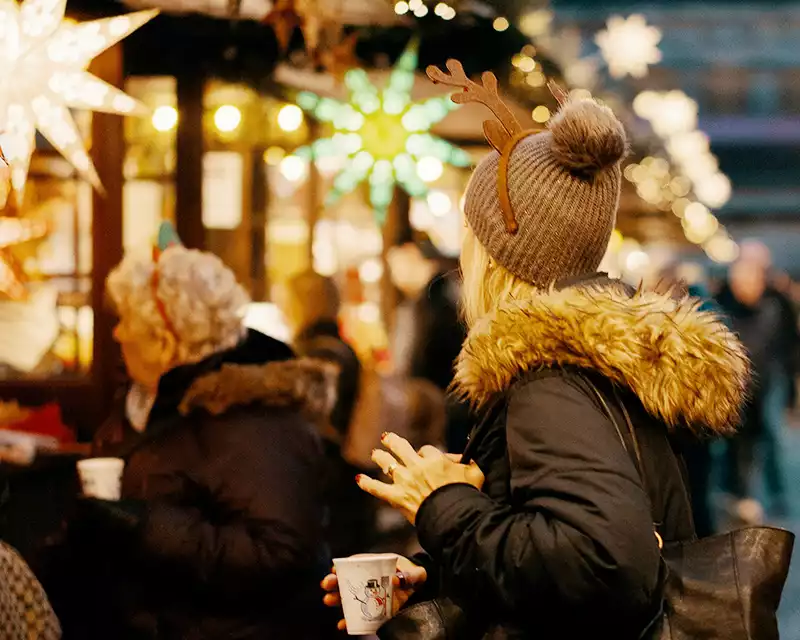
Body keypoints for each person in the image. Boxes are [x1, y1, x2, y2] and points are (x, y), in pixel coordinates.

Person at [323, 71, 749, 637]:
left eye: (473, 236)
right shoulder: (601, 364)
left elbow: (605, 562)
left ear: (500, 255)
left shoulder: (550, 380)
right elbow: (557, 555)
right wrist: (441, 576)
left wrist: (442, 503)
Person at [45, 228, 338, 639]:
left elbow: (279, 553)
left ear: (166, 341)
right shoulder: (144, 402)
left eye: (126, 319)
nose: (117, 334)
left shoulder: (254, 418)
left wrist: (144, 526)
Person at [281, 270, 378, 558]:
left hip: (330, 489)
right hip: (346, 484)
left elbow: (317, 428)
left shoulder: (319, 355)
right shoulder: (341, 349)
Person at [717, 250, 795, 519]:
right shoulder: (722, 307)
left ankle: (777, 496)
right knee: (737, 445)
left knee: (772, 441)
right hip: (738, 388)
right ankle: (740, 494)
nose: (746, 287)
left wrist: (790, 392)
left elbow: (788, 345)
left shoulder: (776, 306)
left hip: (770, 384)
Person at [387, 238, 471, 453]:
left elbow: (423, 360)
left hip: (445, 412)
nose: (394, 276)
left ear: (411, 253)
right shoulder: (445, 292)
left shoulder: (436, 299)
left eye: (394, 265)